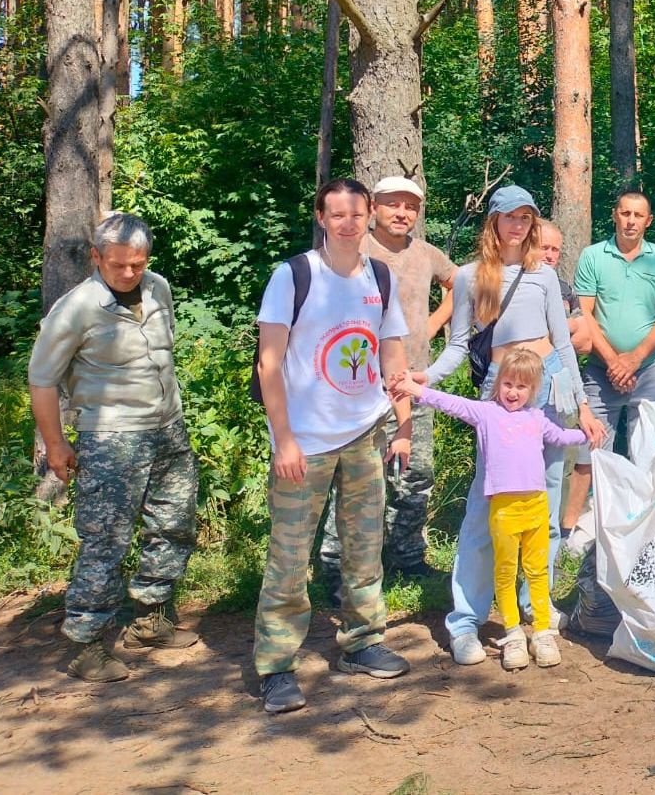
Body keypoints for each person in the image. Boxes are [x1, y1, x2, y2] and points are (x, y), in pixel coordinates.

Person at [426, 186, 607, 665]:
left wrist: (583, 407)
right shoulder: (470, 277)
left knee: (544, 504)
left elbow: (563, 345)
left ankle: (534, 610)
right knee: (486, 506)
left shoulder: (543, 275)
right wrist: (424, 378)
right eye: (510, 217)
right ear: (493, 221)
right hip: (500, 394)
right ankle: (466, 621)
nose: (517, 226)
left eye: (525, 218)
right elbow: (458, 345)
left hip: (550, 390)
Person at [253, 179, 415, 715]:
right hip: (305, 441)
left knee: (364, 546)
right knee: (290, 554)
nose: (348, 223)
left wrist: (403, 425)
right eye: (337, 214)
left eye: (356, 214)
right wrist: (284, 439)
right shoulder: (293, 275)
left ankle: (362, 642)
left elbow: (392, 354)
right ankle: (276, 666)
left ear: (369, 217)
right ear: (321, 218)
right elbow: (269, 363)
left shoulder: (380, 277)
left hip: (366, 432)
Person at [28, 213, 199, 683]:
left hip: (168, 429)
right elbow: (42, 380)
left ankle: (150, 622)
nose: (128, 273)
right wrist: (56, 444)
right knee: (105, 540)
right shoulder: (76, 308)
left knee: (174, 523)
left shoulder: (158, 288)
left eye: (137, 264)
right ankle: (87, 645)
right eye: (118, 264)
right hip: (111, 438)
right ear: (96, 257)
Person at [394, 349, 592, 671]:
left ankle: (542, 632)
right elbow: (450, 403)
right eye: (508, 384)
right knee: (505, 570)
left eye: (521, 387)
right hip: (503, 508)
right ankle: (512, 633)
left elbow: (561, 436)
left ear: (534, 390)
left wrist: (588, 432)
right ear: (498, 383)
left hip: (536, 505)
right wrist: (415, 389)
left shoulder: (537, 418)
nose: (513, 392)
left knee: (537, 571)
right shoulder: (486, 413)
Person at [319, 176, 456, 594]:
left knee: (415, 472)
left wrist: (432, 324)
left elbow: (458, 285)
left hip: (413, 381)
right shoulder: (354, 250)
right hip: (360, 386)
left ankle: (407, 557)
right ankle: (335, 566)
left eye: (410, 206)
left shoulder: (426, 254)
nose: (402, 213)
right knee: (353, 477)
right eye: (393, 204)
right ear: (375, 208)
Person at [563, 191, 655, 530]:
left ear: (648, 221)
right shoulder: (593, 256)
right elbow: (584, 314)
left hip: (652, 368)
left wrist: (635, 359)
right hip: (601, 370)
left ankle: (648, 526)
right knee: (590, 448)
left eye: (638, 215)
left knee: (651, 450)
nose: (630, 221)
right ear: (615, 215)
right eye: (625, 213)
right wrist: (615, 361)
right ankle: (570, 529)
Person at [538, 219, 593, 357]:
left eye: (555, 250)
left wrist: (570, 326)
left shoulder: (565, 289)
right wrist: (569, 326)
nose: (549, 256)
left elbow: (586, 342)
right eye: (544, 248)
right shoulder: (515, 286)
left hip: (561, 367)